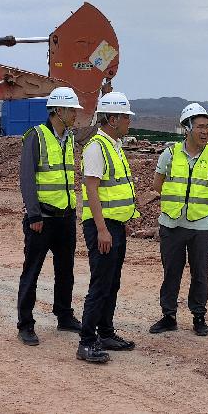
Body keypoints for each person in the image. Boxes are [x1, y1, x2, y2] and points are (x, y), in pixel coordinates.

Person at [149, 103, 208, 337]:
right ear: (188, 128)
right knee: (171, 272)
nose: (205, 131)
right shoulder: (170, 154)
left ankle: (199, 317)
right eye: (200, 127)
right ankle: (169, 316)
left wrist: (197, 204)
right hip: (171, 224)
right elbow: (157, 184)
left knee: (200, 274)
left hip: (200, 225)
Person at [16, 87, 84, 346]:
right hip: (41, 219)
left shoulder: (69, 138)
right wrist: (34, 215)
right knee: (32, 271)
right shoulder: (37, 136)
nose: (76, 114)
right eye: (72, 110)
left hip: (65, 217)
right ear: (58, 110)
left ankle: (64, 315)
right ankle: (25, 324)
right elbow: (27, 178)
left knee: (65, 271)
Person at [76, 91, 140, 364]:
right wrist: (102, 229)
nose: (129, 122)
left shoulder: (114, 145)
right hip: (102, 227)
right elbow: (91, 190)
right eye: (125, 117)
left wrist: (120, 223)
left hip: (115, 225)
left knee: (112, 282)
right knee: (101, 283)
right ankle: (86, 341)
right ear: (112, 119)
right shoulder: (96, 147)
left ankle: (105, 333)